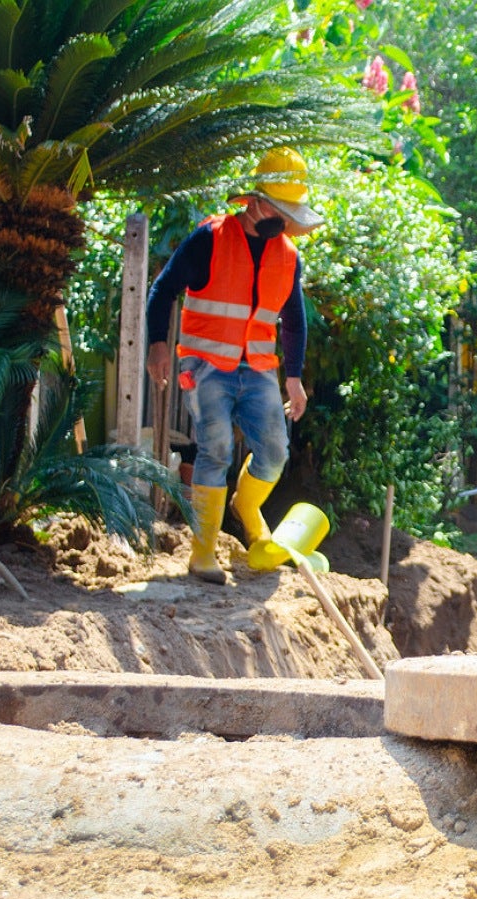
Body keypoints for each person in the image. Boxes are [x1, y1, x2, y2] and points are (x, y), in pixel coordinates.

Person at [145, 147, 323, 583]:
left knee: (275, 451)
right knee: (217, 448)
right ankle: (203, 551)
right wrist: (157, 345)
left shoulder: (288, 256)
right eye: (278, 210)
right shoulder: (209, 238)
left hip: (258, 369)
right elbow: (163, 289)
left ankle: (247, 505)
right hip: (206, 365)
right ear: (256, 202)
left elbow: (294, 320)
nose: (283, 221)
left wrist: (294, 379)